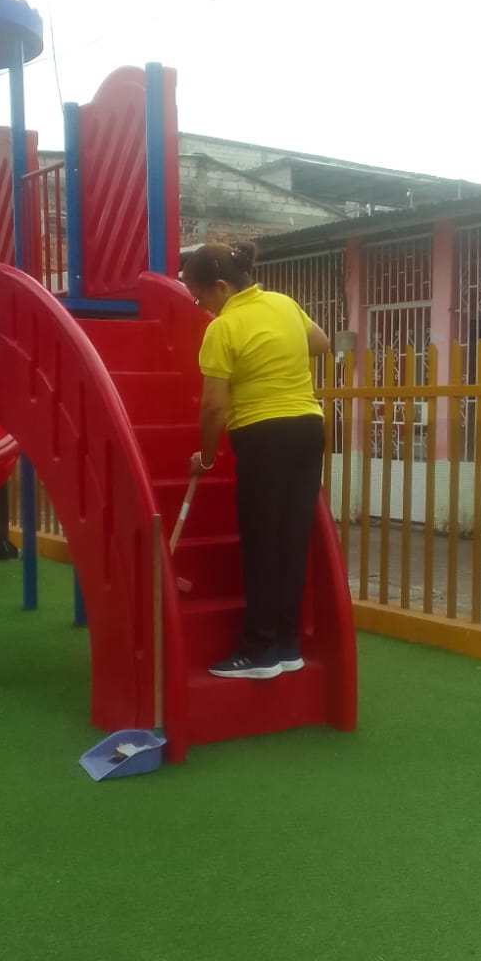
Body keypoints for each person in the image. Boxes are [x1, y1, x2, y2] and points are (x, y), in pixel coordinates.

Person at [181, 240, 332, 679]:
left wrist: (207, 457)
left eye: (201, 298)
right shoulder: (283, 304)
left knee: (262, 544)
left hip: (263, 437)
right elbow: (321, 343)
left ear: (221, 287)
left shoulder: (223, 328)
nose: (202, 307)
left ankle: (259, 651)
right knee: (291, 541)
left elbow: (213, 406)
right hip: (307, 430)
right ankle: (287, 645)